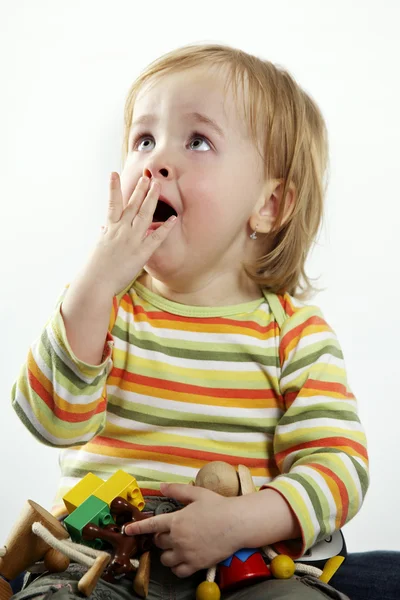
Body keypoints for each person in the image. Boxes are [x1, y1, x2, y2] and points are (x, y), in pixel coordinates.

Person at [10, 42, 369, 600]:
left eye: (197, 141)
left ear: (269, 206)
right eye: (144, 140)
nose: (156, 160)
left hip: (238, 568)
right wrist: (94, 284)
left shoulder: (294, 334)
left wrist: (244, 520)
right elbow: (50, 421)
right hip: (100, 564)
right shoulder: (105, 306)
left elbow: (338, 469)